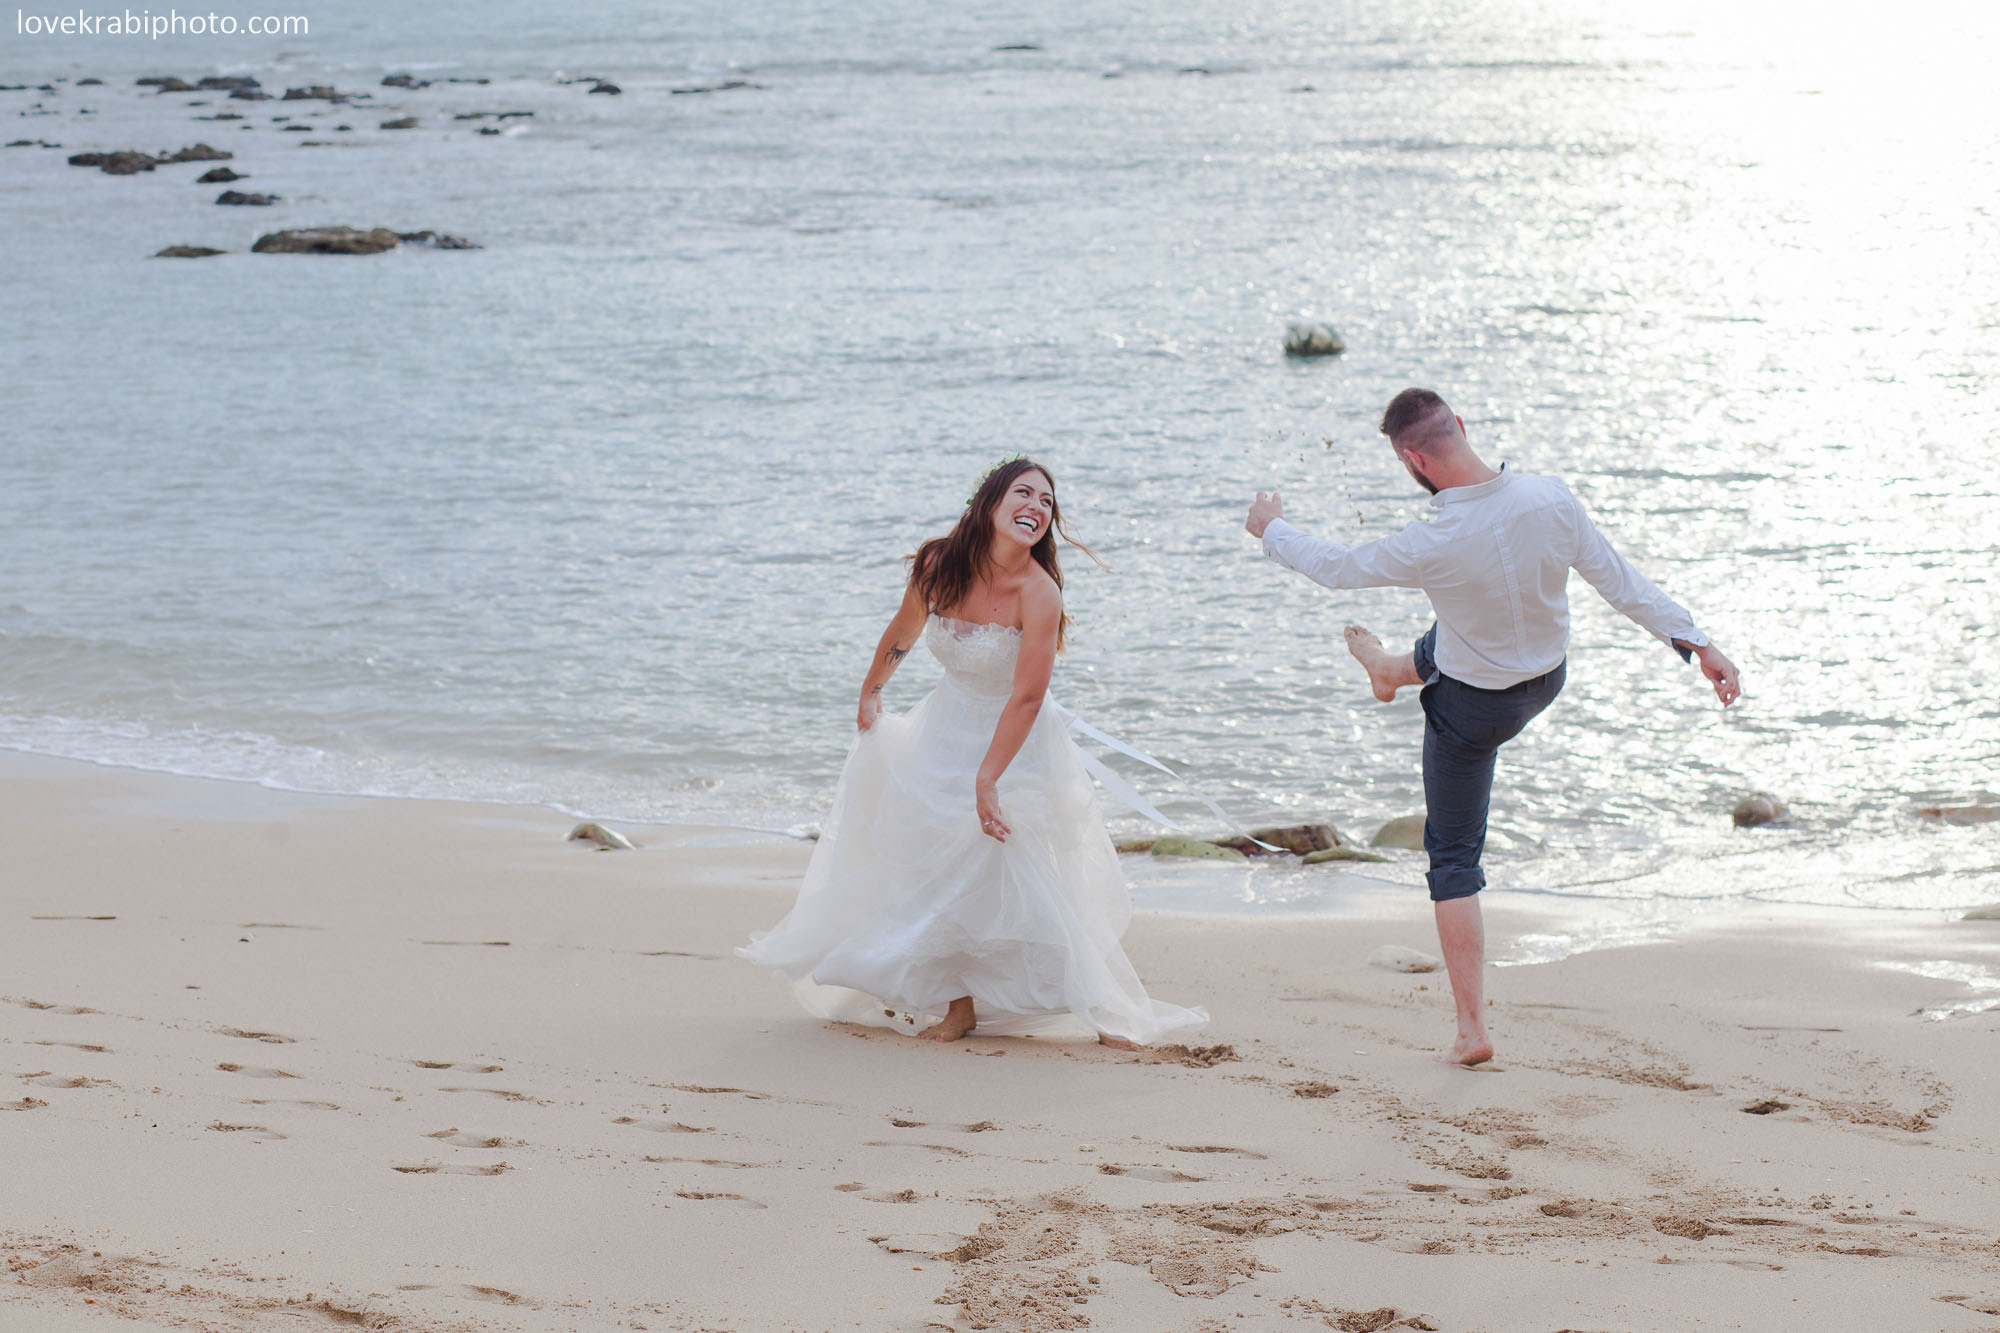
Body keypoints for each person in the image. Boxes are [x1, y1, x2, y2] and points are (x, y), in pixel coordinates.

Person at [1245, 388, 1740, 1067]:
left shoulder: (1431, 540)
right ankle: (1391, 668)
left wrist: (1269, 526)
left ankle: (1471, 1030)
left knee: (1452, 861)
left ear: (1411, 457)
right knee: (1458, 621)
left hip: (1473, 708)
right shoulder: (1551, 498)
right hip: (1545, 678)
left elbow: (1337, 567)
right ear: (1464, 427)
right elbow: (1620, 582)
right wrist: (1699, 643)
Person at [741, 458, 1206, 1048]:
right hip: (944, 724)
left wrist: (988, 777)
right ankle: (959, 1007)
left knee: (1023, 872)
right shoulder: (939, 563)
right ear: (989, 502)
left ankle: (1094, 1002)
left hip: (1016, 738)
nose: (1037, 506)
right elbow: (904, 630)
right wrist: (871, 691)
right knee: (933, 865)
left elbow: (1028, 695)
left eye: (1047, 500)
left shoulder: (1039, 593)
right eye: (1023, 493)